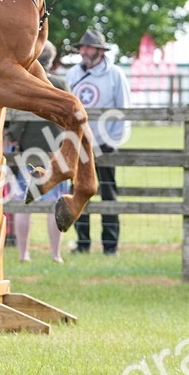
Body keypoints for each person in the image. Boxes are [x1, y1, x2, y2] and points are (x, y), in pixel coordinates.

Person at [66, 27, 131, 255]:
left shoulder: (115, 75)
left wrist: (111, 141)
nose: (83, 51)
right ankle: (82, 243)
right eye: (82, 47)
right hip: (78, 144)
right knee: (78, 193)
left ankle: (110, 245)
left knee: (108, 194)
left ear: (99, 51)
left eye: (88, 47)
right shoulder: (73, 73)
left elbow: (123, 110)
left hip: (104, 144)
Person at [6, 40, 67, 263]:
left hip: (28, 152)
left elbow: (16, 121)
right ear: (51, 61)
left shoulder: (24, 82)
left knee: (25, 203)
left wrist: (13, 135)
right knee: (56, 203)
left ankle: (24, 254)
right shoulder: (60, 83)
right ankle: (55, 254)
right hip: (56, 152)